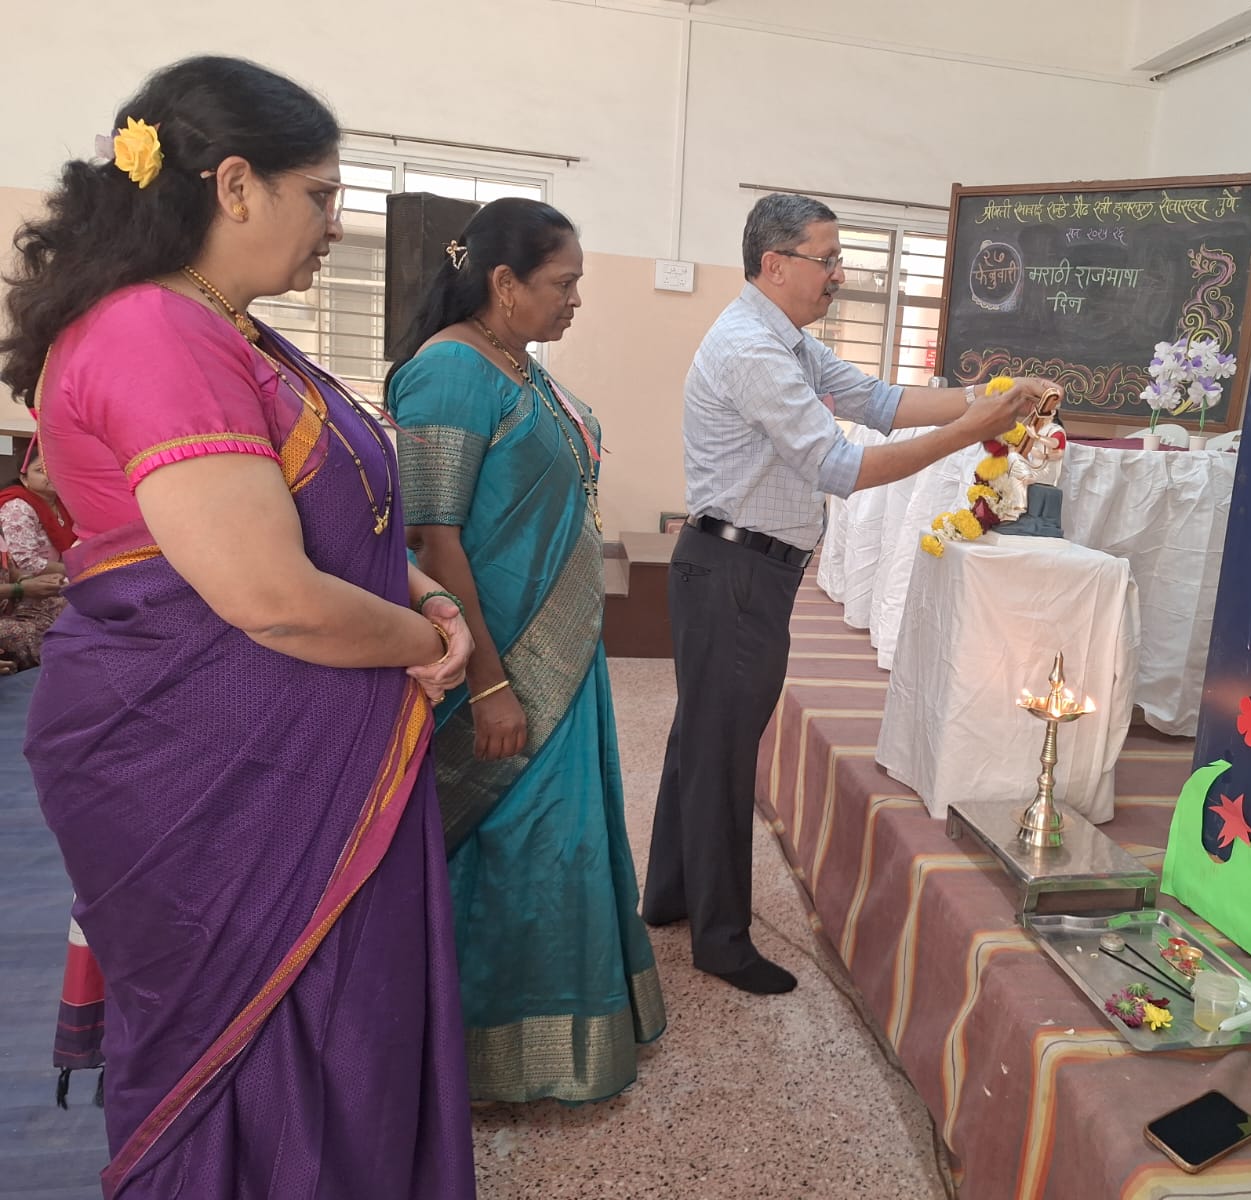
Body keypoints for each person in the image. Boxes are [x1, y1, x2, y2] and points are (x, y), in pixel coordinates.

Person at [0, 56, 478, 1198]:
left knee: (337, 1041)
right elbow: (271, 596)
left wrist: (422, 595)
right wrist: (433, 650)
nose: (335, 225)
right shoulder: (154, 333)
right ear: (233, 185)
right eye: (320, 194)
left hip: (288, 751)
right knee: (264, 1055)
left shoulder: (225, 328)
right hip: (211, 760)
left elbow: (336, 527)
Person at [643, 193, 1053, 994]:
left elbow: (878, 402)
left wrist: (991, 396)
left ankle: (671, 895)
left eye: (840, 259)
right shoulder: (751, 349)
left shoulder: (785, 339)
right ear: (774, 264)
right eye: (827, 259)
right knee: (722, 754)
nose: (839, 275)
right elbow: (838, 466)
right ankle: (721, 940)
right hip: (732, 573)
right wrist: (971, 431)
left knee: (704, 740)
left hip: (742, 569)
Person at [387, 198, 665, 1103]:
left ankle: (568, 1036)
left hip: (560, 652)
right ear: (504, 283)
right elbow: (432, 538)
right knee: (516, 848)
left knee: (564, 840)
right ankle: (480, 1053)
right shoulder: (448, 373)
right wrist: (489, 683)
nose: (576, 300)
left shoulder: (516, 365)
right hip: (503, 662)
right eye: (563, 283)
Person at [0, 448, 72, 669]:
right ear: (24, 478)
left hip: (16, 597)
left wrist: (23, 581)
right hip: (15, 601)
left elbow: (10, 566)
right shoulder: (16, 507)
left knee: (78, 607)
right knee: (32, 634)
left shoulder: (65, 503)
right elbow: (26, 562)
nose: (50, 475)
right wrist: (20, 589)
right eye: (41, 470)